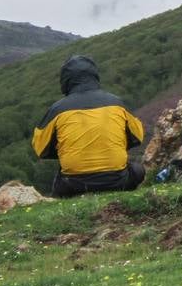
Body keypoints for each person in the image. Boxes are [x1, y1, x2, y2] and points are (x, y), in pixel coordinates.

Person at [32, 56, 145, 197]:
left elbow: (40, 149)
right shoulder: (117, 103)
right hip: (117, 181)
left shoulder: (57, 109)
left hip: (73, 185)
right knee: (138, 170)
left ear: (65, 80)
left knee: (60, 181)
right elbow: (137, 136)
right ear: (94, 76)